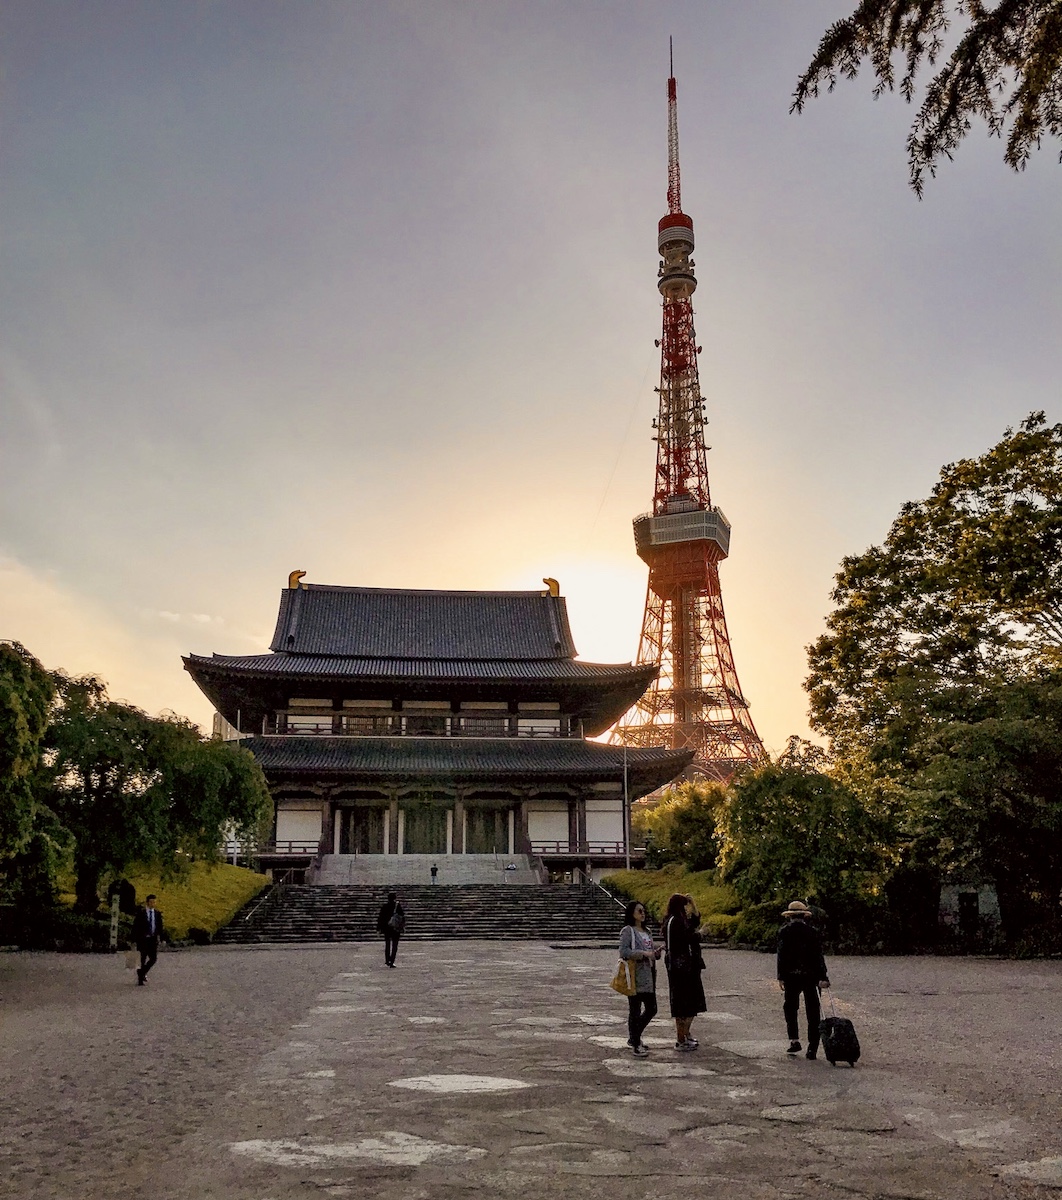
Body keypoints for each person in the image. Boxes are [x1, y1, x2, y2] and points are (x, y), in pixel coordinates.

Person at [776, 900, 830, 1059]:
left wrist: (781, 976)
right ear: (804, 916)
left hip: (791, 975)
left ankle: (794, 1040)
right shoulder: (812, 932)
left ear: (790, 916)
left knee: (790, 1008)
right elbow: (818, 956)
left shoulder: (784, 931)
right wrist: (823, 976)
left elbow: (781, 956)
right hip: (811, 976)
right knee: (813, 1011)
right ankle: (812, 1047)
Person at [661, 892, 706, 1050]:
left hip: (682, 965)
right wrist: (700, 934)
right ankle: (681, 1038)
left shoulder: (672, 920)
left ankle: (685, 1035)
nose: (687, 910)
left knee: (689, 1002)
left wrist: (693, 904)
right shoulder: (676, 922)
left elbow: (695, 921)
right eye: (685, 906)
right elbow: (687, 938)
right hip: (683, 967)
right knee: (685, 1003)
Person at [619, 901, 661, 1057]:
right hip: (635, 974)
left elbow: (649, 950)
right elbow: (624, 951)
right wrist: (643, 954)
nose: (642, 914)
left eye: (643, 911)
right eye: (639, 911)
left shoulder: (647, 931)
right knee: (635, 1009)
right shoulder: (628, 931)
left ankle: (634, 1037)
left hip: (649, 973)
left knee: (652, 1008)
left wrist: (655, 954)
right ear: (632, 913)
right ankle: (636, 1042)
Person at [131, 894, 165, 986]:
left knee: (153, 958)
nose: (153, 904)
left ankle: (142, 972)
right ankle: (140, 980)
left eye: (154, 902)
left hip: (152, 939)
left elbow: (160, 927)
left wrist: (162, 939)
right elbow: (135, 926)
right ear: (147, 903)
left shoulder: (157, 914)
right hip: (142, 939)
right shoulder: (141, 913)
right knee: (141, 959)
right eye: (151, 902)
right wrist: (133, 939)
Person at [376, 891, 405, 967]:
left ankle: (387, 960)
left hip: (387, 928)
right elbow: (402, 917)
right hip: (395, 928)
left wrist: (379, 928)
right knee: (395, 945)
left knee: (387, 944)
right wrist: (402, 926)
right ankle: (392, 961)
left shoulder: (385, 906)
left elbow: (380, 918)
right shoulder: (397, 906)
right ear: (395, 898)